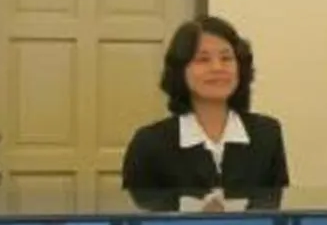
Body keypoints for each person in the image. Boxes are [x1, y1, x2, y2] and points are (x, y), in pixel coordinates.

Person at [121, 16, 290, 197]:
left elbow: (276, 212)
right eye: (203, 60)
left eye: (226, 58)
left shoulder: (267, 134)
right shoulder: (150, 143)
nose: (217, 68)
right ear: (180, 70)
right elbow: (139, 217)